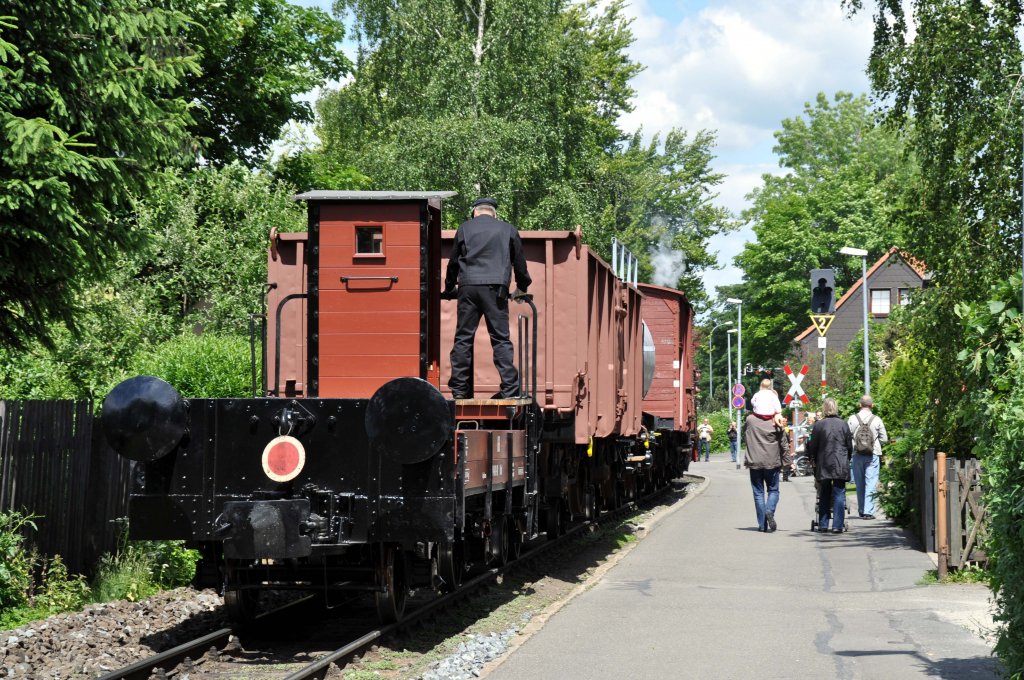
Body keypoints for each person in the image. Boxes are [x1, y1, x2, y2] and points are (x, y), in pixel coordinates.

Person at [443, 197, 532, 399]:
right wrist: (522, 287)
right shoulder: (508, 230)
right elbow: (520, 263)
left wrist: (449, 288)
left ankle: (459, 391)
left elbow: (453, 263)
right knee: (500, 339)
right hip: (496, 289)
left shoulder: (464, 229)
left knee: (463, 339)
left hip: (468, 288)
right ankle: (510, 389)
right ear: (494, 213)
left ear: (475, 212)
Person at [806, 398, 851, 534]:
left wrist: (812, 459)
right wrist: (847, 458)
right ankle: (837, 525)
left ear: (824, 409)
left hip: (824, 462)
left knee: (824, 492)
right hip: (840, 463)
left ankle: (823, 524)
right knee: (839, 493)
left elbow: (812, 446)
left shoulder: (819, 425)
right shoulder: (843, 424)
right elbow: (849, 445)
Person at [744, 410, 790, 532]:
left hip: (754, 461)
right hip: (772, 462)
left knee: (758, 493)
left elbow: (746, 436)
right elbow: (784, 444)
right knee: (773, 490)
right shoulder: (776, 421)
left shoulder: (750, 420)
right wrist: (786, 463)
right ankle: (769, 511)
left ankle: (762, 525)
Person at [847, 395, 888, 519]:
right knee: (871, 482)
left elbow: (847, 437)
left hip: (856, 454)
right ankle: (868, 511)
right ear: (872, 405)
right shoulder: (877, 419)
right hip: (873, 454)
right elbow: (884, 439)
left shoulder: (852, 419)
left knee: (859, 483)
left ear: (860, 405)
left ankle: (861, 509)